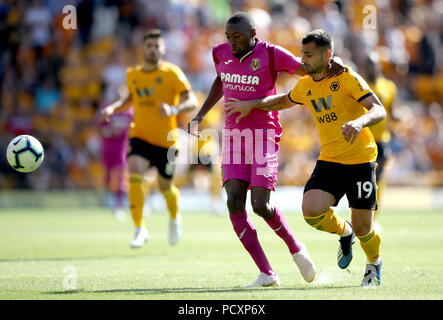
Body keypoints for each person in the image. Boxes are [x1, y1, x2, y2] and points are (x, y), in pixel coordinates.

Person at [188, 12, 345, 288]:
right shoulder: (220, 53)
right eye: (228, 37)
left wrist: (331, 65)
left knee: (261, 205)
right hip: (235, 138)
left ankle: (296, 249)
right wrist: (201, 115)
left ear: (253, 34)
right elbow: (220, 80)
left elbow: (306, 70)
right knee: (234, 202)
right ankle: (267, 273)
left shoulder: (271, 54)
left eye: (237, 37)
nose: (232, 42)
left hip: (263, 136)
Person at [225, 29, 386, 287]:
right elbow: (282, 101)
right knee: (311, 212)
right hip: (330, 161)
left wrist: (359, 122)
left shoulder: (347, 79)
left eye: (309, 55)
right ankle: (345, 232)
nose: (304, 60)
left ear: (327, 55)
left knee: (365, 227)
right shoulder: (306, 85)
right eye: (303, 54)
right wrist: (252, 104)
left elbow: (378, 108)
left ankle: (374, 263)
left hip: (360, 161)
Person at [101, 29, 197, 248]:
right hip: (140, 136)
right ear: (142, 49)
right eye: (149, 46)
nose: (153, 49)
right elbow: (129, 100)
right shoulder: (132, 74)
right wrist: (113, 109)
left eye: (157, 46)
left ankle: (174, 218)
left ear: (162, 49)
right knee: (133, 172)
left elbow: (191, 101)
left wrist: (173, 109)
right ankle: (139, 228)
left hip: (166, 141)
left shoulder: (172, 73)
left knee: (166, 188)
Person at [362, 53, 398, 222]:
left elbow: (393, 111)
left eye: (374, 64)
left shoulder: (388, 86)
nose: (371, 67)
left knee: (379, 178)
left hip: (382, 140)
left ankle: (373, 218)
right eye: (368, 64)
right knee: (365, 179)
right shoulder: (360, 85)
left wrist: (400, 117)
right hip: (364, 140)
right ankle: (364, 215)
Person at [98, 85, 133, 221]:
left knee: (120, 176)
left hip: (122, 148)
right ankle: (108, 199)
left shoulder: (130, 111)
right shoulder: (108, 109)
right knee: (107, 175)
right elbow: (101, 127)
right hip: (108, 147)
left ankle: (118, 205)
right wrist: (110, 132)